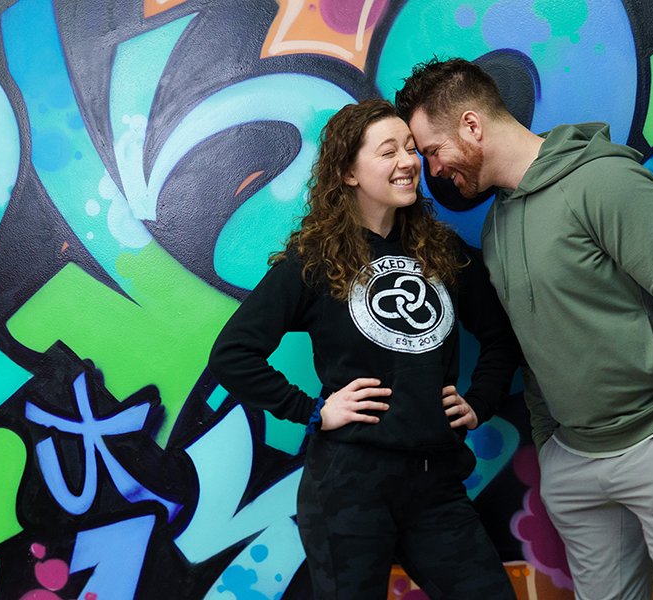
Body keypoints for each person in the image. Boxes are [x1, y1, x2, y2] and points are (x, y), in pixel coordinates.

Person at [395, 58, 653, 600]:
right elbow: (532, 340)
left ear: (471, 125)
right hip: (576, 462)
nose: (432, 170)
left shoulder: (603, 180)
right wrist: (549, 444)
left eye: (432, 150)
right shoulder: (497, 227)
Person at [208, 99, 520, 600]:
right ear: (349, 172)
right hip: (348, 489)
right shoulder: (314, 260)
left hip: (435, 485)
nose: (408, 162)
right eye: (388, 151)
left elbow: (501, 337)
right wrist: (312, 411)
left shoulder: (440, 251)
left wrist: (480, 401)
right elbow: (232, 354)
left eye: (412, 150)